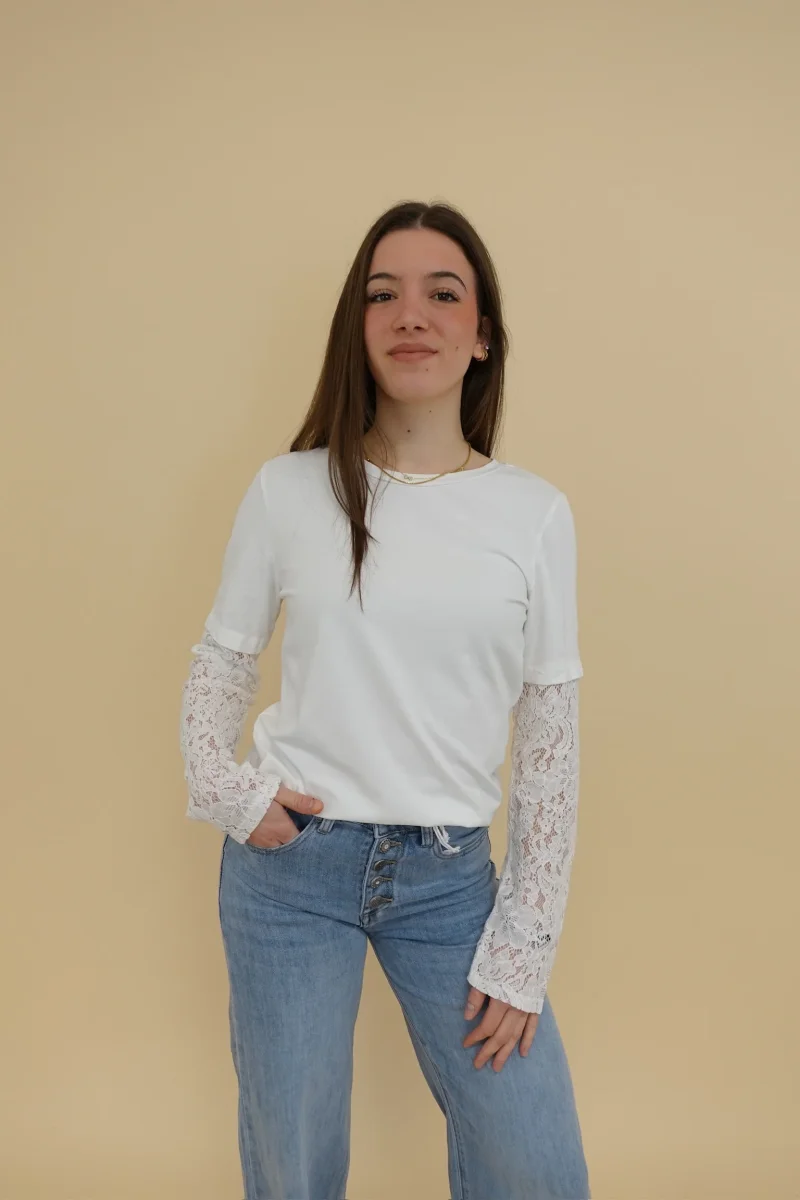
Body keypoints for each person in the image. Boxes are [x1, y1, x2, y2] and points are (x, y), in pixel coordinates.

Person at [179, 200, 591, 1200]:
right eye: (382, 294)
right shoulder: (287, 491)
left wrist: (524, 943)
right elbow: (221, 663)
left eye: (442, 293)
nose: (411, 314)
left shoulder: (533, 515)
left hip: (449, 882)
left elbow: (550, 743)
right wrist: (230, 793)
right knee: (294, 1163)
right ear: (356, 328)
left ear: (481, 334)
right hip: (290, 873)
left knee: (532, 1163)